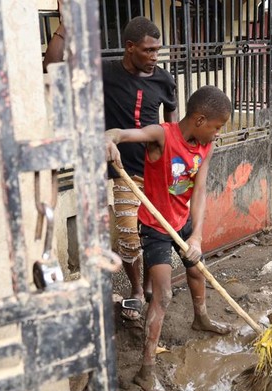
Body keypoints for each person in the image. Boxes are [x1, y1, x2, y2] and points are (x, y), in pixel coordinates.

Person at [45, 15, 178, 322]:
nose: (155, 56)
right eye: (148, 50)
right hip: (124, 172)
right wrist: (66, 27)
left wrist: (175, 162)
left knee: (154, 234)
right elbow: (52, 66)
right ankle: (135, 288)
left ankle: (146, 287)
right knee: (130, 237)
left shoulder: (164, 80)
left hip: (158, 172)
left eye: (158, 50)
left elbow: (173, 125)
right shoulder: (104, 73)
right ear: (129, 47)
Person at [105, 85, 233, 391]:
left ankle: (201, 318)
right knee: (162, 296)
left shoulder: (206, 147)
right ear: (200, 120)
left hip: (182, 221)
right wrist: (110, 141)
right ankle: (146, 371)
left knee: (196, 270)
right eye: (216, 127)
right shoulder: (162, 136)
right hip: (154, 227)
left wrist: (197, 236)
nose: (217, 134)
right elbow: (118, 133)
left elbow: (200, 190)